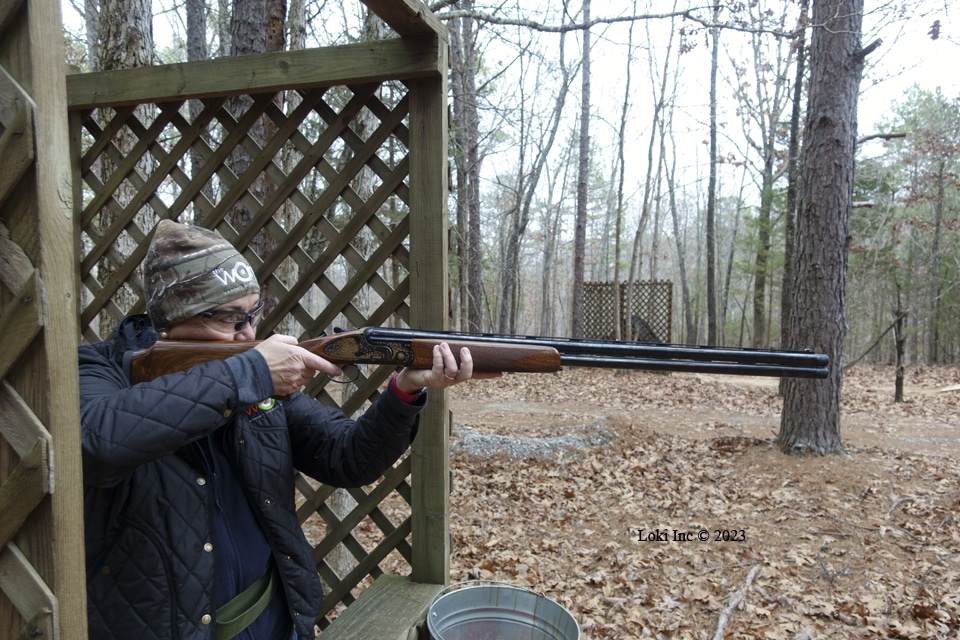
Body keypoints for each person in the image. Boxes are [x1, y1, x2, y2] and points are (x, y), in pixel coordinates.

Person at [79, 220, 494, 640]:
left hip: (275, 623)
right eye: (231, 319)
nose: (250, 333)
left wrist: (405, 389)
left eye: (253, 314)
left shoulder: (254, 376)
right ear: (175, 317)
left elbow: (348, 458)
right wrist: (252, 372)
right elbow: (97, 441)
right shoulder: (101, 370)